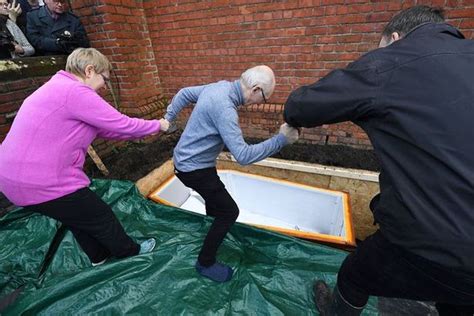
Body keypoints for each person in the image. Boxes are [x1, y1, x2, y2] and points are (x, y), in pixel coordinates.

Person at [284, 5, 474, 316]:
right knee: (460, 300)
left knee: (355, 275)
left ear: (395, 38)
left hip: (432, 241)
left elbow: (300, 106)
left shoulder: (393, 61)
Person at [0, 48, 170, 266]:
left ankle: (98, 258)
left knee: (77, 217)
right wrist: (159, 125)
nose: (105, 87)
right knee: (100, 215)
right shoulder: (75, 91)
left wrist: (142, 132)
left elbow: (107, 130)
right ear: (90, 71)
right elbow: (122, 123)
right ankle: (130, 254)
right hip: (40, 179)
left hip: (12, 179)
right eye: (104, 79)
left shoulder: (58, 88)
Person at [162, 65, 299, 282]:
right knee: (229, 212)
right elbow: (243, 155)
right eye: (263, 98)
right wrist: (281, 140)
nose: (259, 104)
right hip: (193, 168)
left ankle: (211, 228)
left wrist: (168, 118)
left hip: (193, 162)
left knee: (214, 200)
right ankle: (205, 262)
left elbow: (184, 93)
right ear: (255, 89)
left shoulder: (219, 87)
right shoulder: (225, 109)